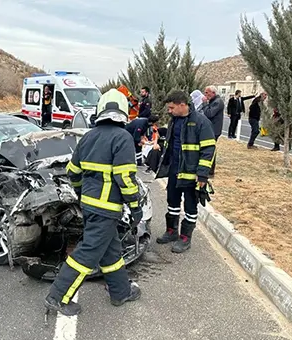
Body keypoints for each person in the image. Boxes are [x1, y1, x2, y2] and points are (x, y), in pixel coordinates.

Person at [44, 89, 143, 316]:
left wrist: (82, 194)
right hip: (107, 208)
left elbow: (73, 171)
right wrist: (135, 205)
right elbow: (125, 177)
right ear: (123, 112)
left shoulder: (88, 136)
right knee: (88, 252)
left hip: (89, 205)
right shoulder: (123, 138)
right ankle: (57, 297)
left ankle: (121, 292)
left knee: (110, 250)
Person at [155, 90, 216, 253]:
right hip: (175, 171)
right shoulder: (174, 121)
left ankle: (185, 238)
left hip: (192, 174)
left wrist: (202, 174)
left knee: (190, 206)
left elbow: (209, 149)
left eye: (171, 107)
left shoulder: (201, 122)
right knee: (172, 202)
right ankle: (172, 231)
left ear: (183, 105)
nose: (169, 111)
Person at [200, 86, 224, 176]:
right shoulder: (213, 101)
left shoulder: (218, 102)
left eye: (207, 93)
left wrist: (204, 104)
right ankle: (208, 169)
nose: (205, 95)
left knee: (211, 149)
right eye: (205, 92)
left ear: (213, 93)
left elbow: (209, 114)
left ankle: (210, 171)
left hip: (214, 130)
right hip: (210, 129)